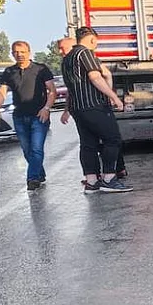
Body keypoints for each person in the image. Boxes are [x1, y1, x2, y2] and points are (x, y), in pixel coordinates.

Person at [62, 27, 132, 193]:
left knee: (88, 144)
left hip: (77, 108)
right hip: (93, 105)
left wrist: (67, 109)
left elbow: (70, 88)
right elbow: (96, 77)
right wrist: (113, 97)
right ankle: (109, 178)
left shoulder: (67, 59)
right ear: (92, 40)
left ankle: (92, 182)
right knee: (112, 139)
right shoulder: (85, 54)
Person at [0, 41, 57, 191]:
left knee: (36, 148)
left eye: (22, 51)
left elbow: (52, 91)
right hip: (19, 117)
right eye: (15, 52)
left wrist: (47, 108)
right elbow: (2, 91)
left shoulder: (41, 69)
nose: (19, 54)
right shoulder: (9, 72)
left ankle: (32, 178)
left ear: (29, 52)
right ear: (12, 53)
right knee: (27, 150)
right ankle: (39, 173)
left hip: (39, 116)